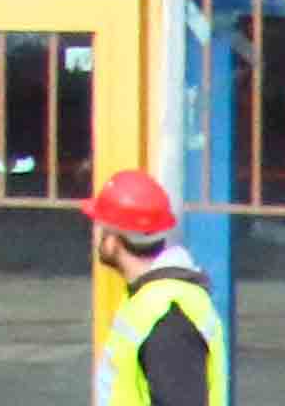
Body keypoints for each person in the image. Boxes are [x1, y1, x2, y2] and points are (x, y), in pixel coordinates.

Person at [87, 172, 223, 406]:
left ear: (112, 241)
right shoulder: (151, 302)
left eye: (98, 225)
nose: (92, 234)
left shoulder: (168, 317)